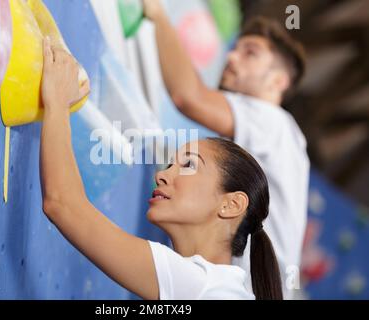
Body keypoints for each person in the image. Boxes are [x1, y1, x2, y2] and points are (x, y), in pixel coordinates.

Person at [39, 37, 282, 300]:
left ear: (231, 204)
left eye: (189, 165)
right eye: (169, 165)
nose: (162, 175)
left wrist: (57, 102)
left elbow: (63, 205)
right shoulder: (211, 286)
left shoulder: (202, 285)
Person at [142, 0, 310, 299]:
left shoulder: (272, 122)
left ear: (278, 81)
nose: (231, 57)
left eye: (251, 53)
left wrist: (157, 13)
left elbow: (188, 97)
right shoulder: (285, 138)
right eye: (235, 48)